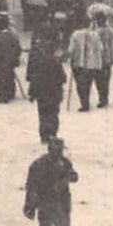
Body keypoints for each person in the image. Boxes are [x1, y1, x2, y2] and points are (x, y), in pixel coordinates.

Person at [24, 137, 79, 226]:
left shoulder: (63, 163)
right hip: (49, 204)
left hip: (58, 205)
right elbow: (31, 186)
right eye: (56, 150)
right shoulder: (40, 164)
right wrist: (30, 205)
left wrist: (30, 205)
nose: (58, 152)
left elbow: (75, 177)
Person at [26, 13, 68, 141]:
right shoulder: (55, 53)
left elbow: (30, 70)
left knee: (43, 112)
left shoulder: (35, 51)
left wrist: (31, 87)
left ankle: (44, 135)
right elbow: (60, 72)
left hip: (40, 87)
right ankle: (52, 134)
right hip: (54, 87)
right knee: (54, 112)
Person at [66, 15, 106, 113]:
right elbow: (101, 49)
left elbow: (71, 49)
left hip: (79, 63)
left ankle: (85, 104)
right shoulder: (95, 34)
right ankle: (92, 101)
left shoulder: (75, 34)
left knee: (80, 85)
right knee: (89, 83)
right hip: (92, 64)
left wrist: (69, 57)